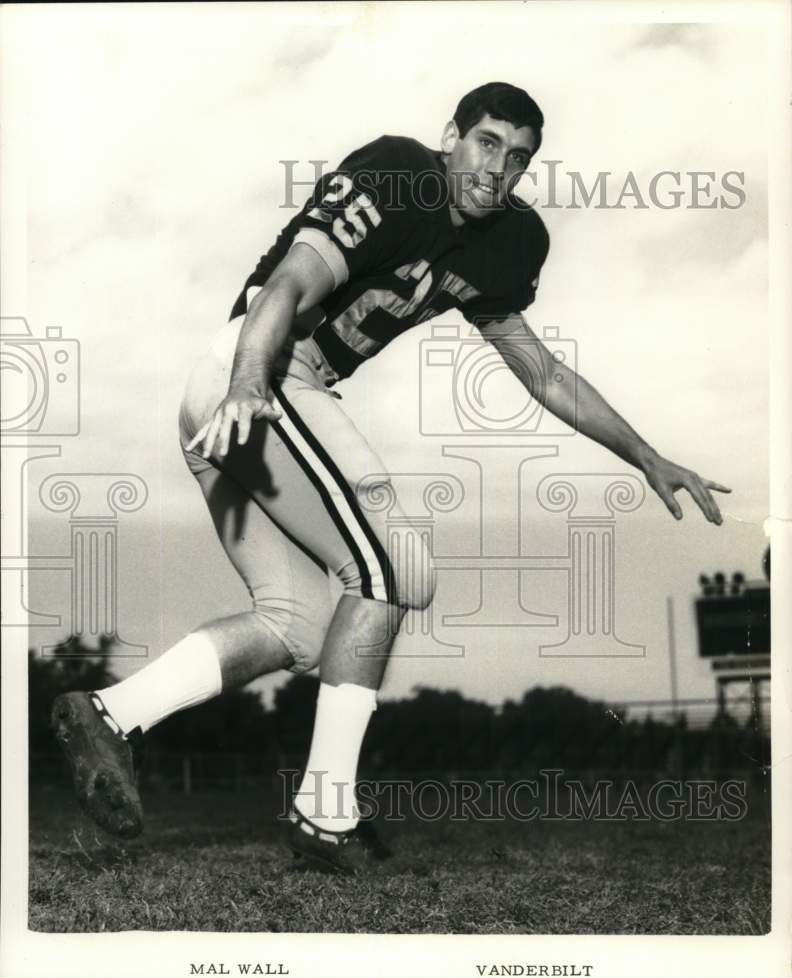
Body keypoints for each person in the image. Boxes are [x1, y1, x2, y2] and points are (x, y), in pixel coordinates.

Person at [52, 82, 729, 873]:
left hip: (241, 406)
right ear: (450, 136)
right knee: (392, 566)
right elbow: (291, 285)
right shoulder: (397, 174)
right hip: (258, 377)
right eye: (485, 142)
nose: (496, 167)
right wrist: (248, 383)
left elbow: (541, 372)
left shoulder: (508, 243)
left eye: (516, 157)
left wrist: (644, 453)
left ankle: (109, 713)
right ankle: (325, 813)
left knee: (299, 625)